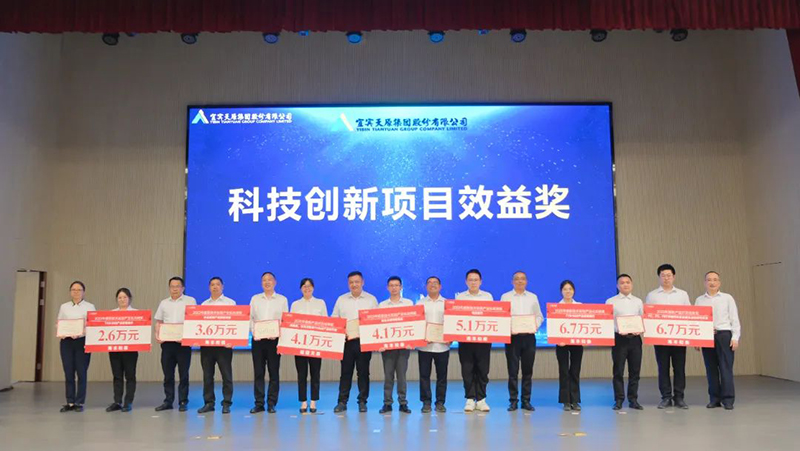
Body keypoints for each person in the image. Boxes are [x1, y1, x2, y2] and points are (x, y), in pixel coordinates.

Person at [645, 263, 691, 409]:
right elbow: (647, 315)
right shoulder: (652, 295)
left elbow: (689, 314)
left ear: (674, 277)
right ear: (659, 277)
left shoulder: (682, 294)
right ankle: (666, 397)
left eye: (669, 275)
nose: (666, 278)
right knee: (663, 368)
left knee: (679, 368)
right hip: (660, 338)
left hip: (679, 337)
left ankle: (679, 397)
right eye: (663, 275)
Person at [332, 271, 378, 413]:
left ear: (362, 282)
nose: (354, 284)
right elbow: (335, 319)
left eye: (357, 282)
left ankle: (362, 401)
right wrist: (342, 330)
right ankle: (342, 402)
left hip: (364, 342)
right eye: (351, 282)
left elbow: (376, 320)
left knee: (363, 373)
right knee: (345, 373)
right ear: (348, 284)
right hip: (346, 342)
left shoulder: (371, 300)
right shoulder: (341, 299)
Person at [695, 271, 740, 410]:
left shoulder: (727, 298)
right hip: (707, 336)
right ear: (705, 283)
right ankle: (714, 399)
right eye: (709, 280)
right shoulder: (699, 300)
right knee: (711, 369)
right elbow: (696, 320)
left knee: (726, 368)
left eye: (715, 280)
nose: (712, 282)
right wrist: (697, 339)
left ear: (719, 282)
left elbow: (734, 319)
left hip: (724, 335)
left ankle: (728, 399)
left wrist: (735, 337)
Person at [501, 271, 543, 412]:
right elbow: (502, 316)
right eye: (517, 279)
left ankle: (526, 401)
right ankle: (513, 401)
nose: (520, 281)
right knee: (512, 372)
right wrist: (509, 327)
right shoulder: (505, 297)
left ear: (526, 281)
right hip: (512, 338)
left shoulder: (532, 297)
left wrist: (534, 326)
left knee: (527, 371)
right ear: (512, 282)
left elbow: (539, 316)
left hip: (529, 337)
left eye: (523, 279)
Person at [154, 276, 196, 412]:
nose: (175, 289)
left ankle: (183, 401)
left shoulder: (190, 301)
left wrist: (189, 337)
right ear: (169, 288)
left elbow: (194, 321)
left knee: (183, 374)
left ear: (183, 288)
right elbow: (159, 321)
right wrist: (158, 335)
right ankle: (168, 401)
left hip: (183, 344)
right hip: (167, 344)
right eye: (172, 286)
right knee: (168, 374)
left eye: (177, 286)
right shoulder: (164, 303)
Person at [249, 271, 288, 414]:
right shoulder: (255, 299)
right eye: (264, 280)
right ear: (261, 283)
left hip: (274, 341)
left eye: (270, 279)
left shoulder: (282, 300)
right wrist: (254, 332)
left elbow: (285, 320)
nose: (267, 282)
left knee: (274, 372)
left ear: (275, 282)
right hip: (258, 341)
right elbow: (250, 318)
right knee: (258, 373)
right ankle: (259, 403)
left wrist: (277, 333)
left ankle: (272, 403)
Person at [456, 268, 494, 413]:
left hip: (483, 340)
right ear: (466, 282)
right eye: (470, 280)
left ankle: (482, 399)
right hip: (465, 340)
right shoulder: (460, 298)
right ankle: (470, 398)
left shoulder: (487, 297)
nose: (473, 282)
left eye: (476, 280)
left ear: (480, 281)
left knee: (483, 370)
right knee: (467, 369)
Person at [198, 277, 236, 414]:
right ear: (209, 287)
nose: (215, 287)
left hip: (224, 347)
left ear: (222, 287)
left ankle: (226, 403)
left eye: (218, 284)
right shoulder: (204, 305)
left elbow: (235, 323)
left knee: (226, 376)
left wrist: (233, 340)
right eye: (212, 285)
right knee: (207, 376)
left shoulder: (230, 303)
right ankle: (209, 403)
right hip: (207, 346)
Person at [606, 274, 644, 411]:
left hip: (635, 339)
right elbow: (607, 320)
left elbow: (642, 318)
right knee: (618, 371)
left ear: (631, 284)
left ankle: (633, 399)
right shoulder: (611, 301)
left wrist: (640, 329)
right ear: (617, 286)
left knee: (635, 371)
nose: (625, 285)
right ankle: (619, 400)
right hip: (619, 339)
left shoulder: (638, 301)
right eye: (622, 283)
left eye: (628, 282)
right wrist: (617, 329)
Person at [57, 281, 96, 412]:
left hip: (82, 341)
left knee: (81, 372)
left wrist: (82, 332)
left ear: (83, 292)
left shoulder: (90, 307)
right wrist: (61, 331)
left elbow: (93, 325)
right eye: (74, 290)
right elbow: (60, 322)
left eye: (79, 290)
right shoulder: (64, 307)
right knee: (68, 372)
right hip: (66, 342)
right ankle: (70, 401)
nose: (76, 292)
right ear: (70, 292)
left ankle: (80, 402)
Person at [290, 278, 327, 413]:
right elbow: (291, 323)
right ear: (301, 289)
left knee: (315, 373)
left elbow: (325, 322)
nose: (307, 288)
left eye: (309, 286)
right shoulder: (295, 304)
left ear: (313, 288)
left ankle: (313, 402)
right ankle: (303, 402)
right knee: (302, 374)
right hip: (300, 345)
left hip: (315, 344)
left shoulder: (320, 303)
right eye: (304, 286)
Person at [378, 276, 414, 414]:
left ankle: (403, 403)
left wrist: (412, 341)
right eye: (391, 285)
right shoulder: (382, 305)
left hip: (403, 347)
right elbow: (378, 326)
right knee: (388, 376)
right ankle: (387, 403)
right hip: (387, 347)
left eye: (396, 285)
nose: (394, 288)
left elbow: (413, 323)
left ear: (401, 287)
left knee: (402, 376)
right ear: (387, 288)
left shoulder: (408, 303)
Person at [418, 276, 450, 413]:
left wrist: (451, 337)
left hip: (442, 346)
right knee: (424, 376)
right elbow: (417, 323)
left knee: (442, 376)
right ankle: (426, 402)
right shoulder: (419, 303)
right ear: (426, 286)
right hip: (424, 346)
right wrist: (421, 337)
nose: (432, 285)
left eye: (435, 283)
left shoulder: (447, 303)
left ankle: (440, 402)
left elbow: (451, 323)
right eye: (429, 283)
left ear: (440, 286)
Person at [106, 288, 139, 412]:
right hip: (115, 349)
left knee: (130, 375)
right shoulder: (111, 314)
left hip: (130, 350)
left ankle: (128, 402)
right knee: (117, 376)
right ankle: (117, 401)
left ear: (129, 298)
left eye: (125, 297)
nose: (122, 300)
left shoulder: (137, 313)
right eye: (119, 297)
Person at [556, 280, 584, 411]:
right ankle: (565, 401)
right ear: (561, 291)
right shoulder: (556, 307)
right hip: (561, 343)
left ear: (574, 291)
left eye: (570, 289)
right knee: (563, 371)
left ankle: (575, 400)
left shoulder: (580, 306)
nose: (568, 291)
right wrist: (558, 339)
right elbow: (554, 326)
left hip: (577, 343)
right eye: (565, 289)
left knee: (575, 371)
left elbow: (584, 324)